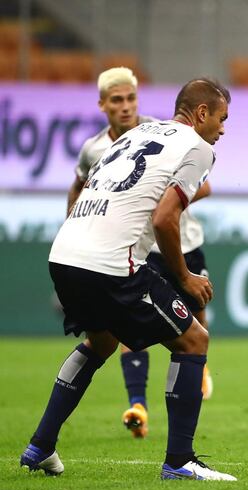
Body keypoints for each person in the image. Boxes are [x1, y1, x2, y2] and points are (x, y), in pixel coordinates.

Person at [20, 78, 236, 481]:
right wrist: (185, 277)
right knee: (194, 340)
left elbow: (84, 187)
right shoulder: (198, 148)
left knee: (101, 341)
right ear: (202, 113)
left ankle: (40, 446)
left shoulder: (133, 135)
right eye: (222, 119)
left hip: (64, 251)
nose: (223, 130)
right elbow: (164, 218)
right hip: (110, 262)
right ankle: (179, 461)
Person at [68, 67, 213, 440]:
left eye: (131, 98)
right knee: (129, 326)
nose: (126, 106)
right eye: (117, 100)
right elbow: (80, 186)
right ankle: (140, 406)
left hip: (181, 240)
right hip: (132, 246)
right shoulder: (97, 148)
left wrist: (160, 202)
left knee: (195, 317)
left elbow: (204, 187)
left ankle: (199, 371)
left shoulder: (157, 132)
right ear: (102, 105)